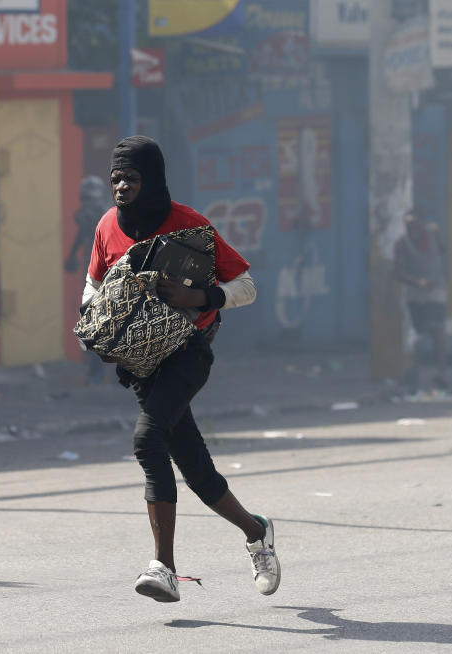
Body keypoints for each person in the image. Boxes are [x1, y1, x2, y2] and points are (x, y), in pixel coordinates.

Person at [81, 135, 279, 603]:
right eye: (115, 179)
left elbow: (246, 285)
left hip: (188, 353)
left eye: (131, 178)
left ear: (152, 180)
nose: (121, 188)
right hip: (141, 365)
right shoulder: (108, 225)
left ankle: (163, 567)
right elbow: (92, 287)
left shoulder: (189, 225)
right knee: (195, 471)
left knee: (147, 440)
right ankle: (257, 533)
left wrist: (199, 297)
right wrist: (98, 333)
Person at [65, 175, 112, 384]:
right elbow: (82, 234)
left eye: (90, 199)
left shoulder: (110, 216)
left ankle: (103, 372)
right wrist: (72, 256)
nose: (88, 203)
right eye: (85, 199)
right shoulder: (89, 216)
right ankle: (97, 372)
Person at [394, 211, 447, 389]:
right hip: (415, 293)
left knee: (437, 329)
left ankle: (441, 373)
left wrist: (438, 233)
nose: (412, 230)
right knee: (418, 334)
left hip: (436, 290)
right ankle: (415, 374)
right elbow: (398, 273)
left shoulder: (433, 236)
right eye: (409, 227)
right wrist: (418, 282)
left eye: (415, 225)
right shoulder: (402, 244)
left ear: (423, 224)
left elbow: (444, 250)